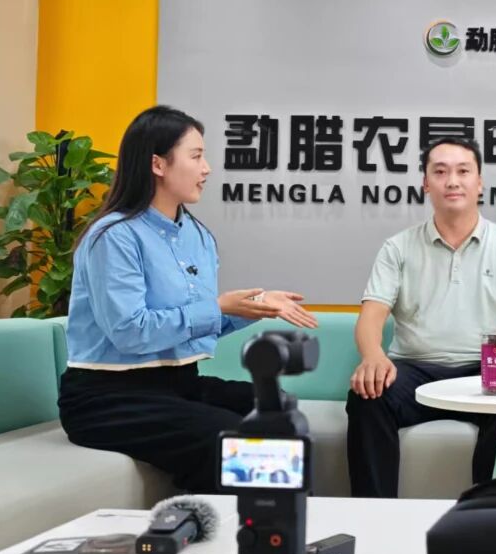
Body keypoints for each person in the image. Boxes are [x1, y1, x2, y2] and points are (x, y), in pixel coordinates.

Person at [59, 105, 317, 492]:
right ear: (158, 164)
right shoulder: (113, 237)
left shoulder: (198, 236)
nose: (207, 169)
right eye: (196, 156)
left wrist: (255, 306)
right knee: (229, 438)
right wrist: (218, 307)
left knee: (279, 407)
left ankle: (287, 521)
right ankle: (212, 523)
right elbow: (130, 332)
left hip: (177, 383)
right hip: (106, 397)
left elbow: (192, 326)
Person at [346, 137, 496, 497]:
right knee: (368, 397)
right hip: (414, 370)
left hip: (487, 371)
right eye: (440, 172)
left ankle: (487, 513)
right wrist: (373, 356)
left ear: (479, 183)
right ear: (425, 184)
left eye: (463, 171)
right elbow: (371, 316)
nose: (452, 181)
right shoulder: (397, 247)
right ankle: (374, 510)